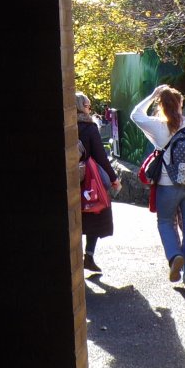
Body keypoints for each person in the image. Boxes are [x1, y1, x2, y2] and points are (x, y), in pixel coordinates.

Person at [131, 85, 185, 286]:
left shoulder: (158, 126)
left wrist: (153, 95)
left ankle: (175, 256)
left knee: (165, 222)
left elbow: (135, 115)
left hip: (168, 185)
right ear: (180, 104)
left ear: (160, 105)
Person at [76, 93, 119, 272]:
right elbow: (101, 157)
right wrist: (113, 178)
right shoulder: (89, 127)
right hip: (89, 180)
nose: (90, 108)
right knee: (95, 212)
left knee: (75, 219)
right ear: (80, 107)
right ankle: (89, 256)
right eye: (87, 105)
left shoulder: (66, 126)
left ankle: (76, 259)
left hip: (71, 180)